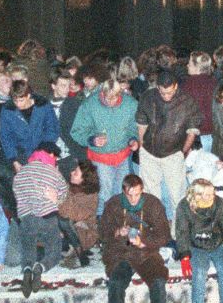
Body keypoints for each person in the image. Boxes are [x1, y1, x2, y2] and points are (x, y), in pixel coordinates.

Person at [136, 69, 201, 223]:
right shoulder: (148, 97)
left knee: (177, 195)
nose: (166, 96)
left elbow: (192, 131)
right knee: (151, 194)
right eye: (163, 92)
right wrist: (142, 147)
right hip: (149, 152)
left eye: (170, 92)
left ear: (176, 86)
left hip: (174, 153)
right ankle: (156, 227)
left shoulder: (187, 101)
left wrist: (182, 151)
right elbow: (141, 125)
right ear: (157, 87)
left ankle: (178, 232)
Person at [71, 77, 138, 215]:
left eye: (114, 99)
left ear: (120, 94)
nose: (111, 103)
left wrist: (133, 139)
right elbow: (77, 131)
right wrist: (92, 139)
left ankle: (118, 225)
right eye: (107, 99)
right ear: (102, 93)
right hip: (100, 159)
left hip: (122, 156)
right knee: (104, 195)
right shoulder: (89, 104)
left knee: (121, 194)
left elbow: (134, 127)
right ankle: (101, 224)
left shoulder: (130, 104)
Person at [100, 174, 170, 303]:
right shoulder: (114, 203)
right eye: (129, 195)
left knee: (158, 282)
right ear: (123, 192)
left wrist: (143, 242)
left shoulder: (152, 204)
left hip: (146, 253)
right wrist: (117, 231)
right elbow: (102, 232)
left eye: (137, 194)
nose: (133, 199)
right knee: (116, 284)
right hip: (121, 253)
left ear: (142, 190)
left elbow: (164, 235)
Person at [12, 142, 67, 299]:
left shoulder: (21, 173)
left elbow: (16, 194)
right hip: (48, 218)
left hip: (27, 218)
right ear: (50, 155)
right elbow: (62, 195)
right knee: (54, 250)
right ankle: (41, 267)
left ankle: (28, 268)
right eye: (55, 157)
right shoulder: (53, 172)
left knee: (28, 248)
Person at [175, 179, 223, 303]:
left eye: (212, 193)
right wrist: (184, 255)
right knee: (199, 273)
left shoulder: (219, 203)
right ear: (197, 195)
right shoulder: (184, 206)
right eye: (207, 194)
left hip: (218, 243)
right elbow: (182, 232)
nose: (211, 197)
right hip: (196, 246)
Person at [0, 80, 59, 174]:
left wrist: (45, 148)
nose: (18, 104)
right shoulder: (8, 110)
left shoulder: (43, 105)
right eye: (15, 101)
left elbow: (52, 127)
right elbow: (6, 136)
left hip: (44, 151)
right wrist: (14, 159)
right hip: (21, 155)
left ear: (28, 95)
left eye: (21, 100)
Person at [58, 160, 100, 268]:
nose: (71, 173)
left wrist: (58, 199)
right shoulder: (67, 186)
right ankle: (69, 248)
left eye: (76, 173)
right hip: (65, 231)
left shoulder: (91, 195)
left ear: (84, 179)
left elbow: (74, 215)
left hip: (83, 233)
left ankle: (78, 250)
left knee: (65, 220)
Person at [180, 52, 218, 153]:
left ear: (198, 67)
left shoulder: (188, 84)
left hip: (195, 137)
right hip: (215, 136)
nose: (187, 65)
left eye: (190, 63)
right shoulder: (215, 82)